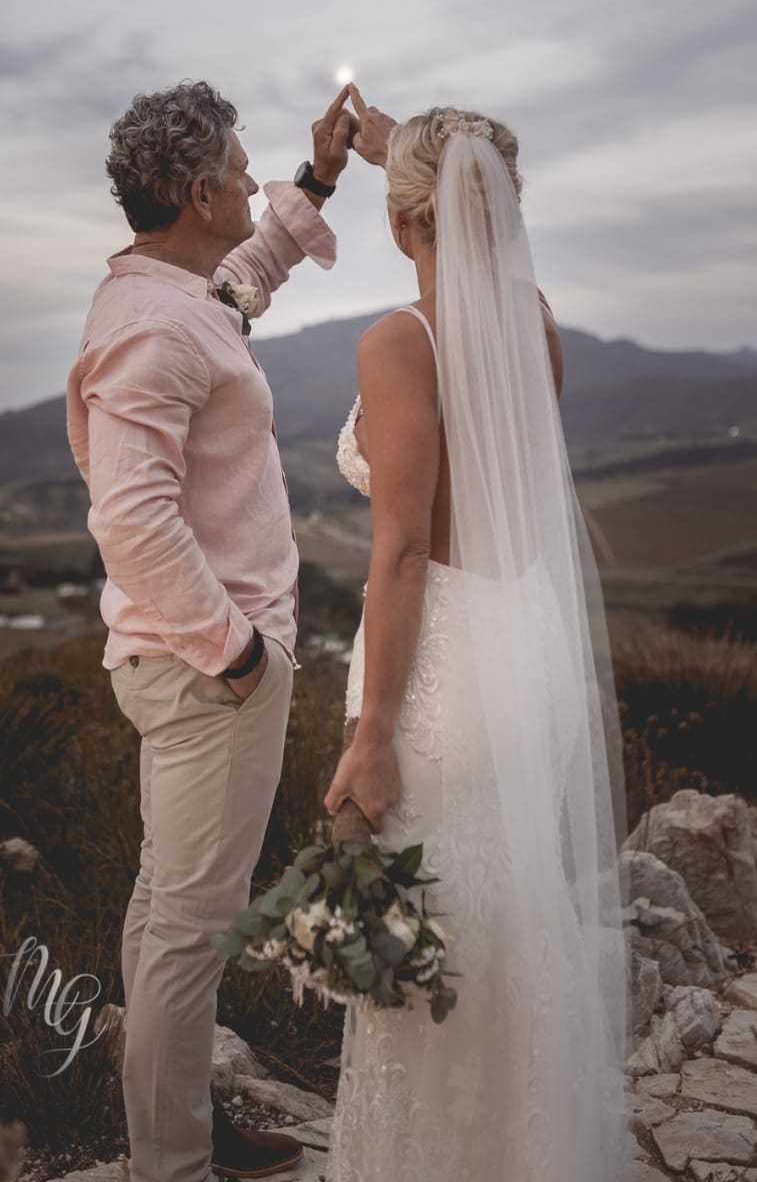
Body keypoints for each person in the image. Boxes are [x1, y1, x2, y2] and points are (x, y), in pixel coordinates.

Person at [324, 87, 632, 1180]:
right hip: (527, 654)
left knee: (422, 943)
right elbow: (460, 207)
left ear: (401, 219)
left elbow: (404, 550)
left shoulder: (397, 343)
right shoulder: (533, 324)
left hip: (442, 673)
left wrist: (372, 732)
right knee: (511, 926)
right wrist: (402, 160)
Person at [66, 80, 351, 1182]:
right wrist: (237, 653)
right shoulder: (152, 322)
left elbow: (243, 282)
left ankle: (174, 1122)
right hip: (206, 670)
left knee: (165, 912)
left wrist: (317, 177)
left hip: (184, 663)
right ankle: (173, 1164)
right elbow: (131, 518)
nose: (249, 184)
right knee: (189, 931)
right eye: (240, 171)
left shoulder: (175, 295)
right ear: (197, 193)